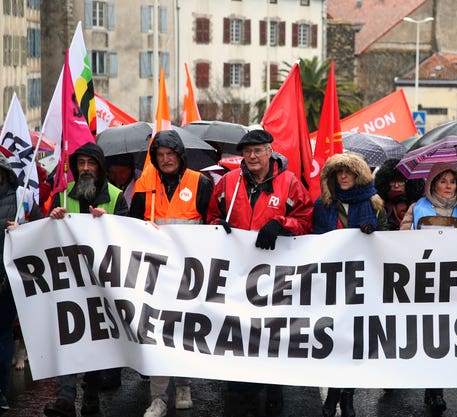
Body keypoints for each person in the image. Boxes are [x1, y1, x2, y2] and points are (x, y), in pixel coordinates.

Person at [207, 129, 313, 417]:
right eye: (247, 151)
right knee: (238, 338)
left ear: (270, 151)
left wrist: (282, 224)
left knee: (271, 338)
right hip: (236, 279)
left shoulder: (290, 183)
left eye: (258, 150)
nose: (252, 156)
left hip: (275, 280)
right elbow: (212, 218)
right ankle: (240, 397)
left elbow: (306, 221)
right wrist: (219, 226)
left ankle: (274, 393)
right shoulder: (229, 182)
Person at [129, 130, 213, 417]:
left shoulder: (200, 182)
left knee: (185, 331)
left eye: (170, 154)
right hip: (154, 273)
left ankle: (183, 386)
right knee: (156, 333)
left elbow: (212, 222)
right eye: (160, 155)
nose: (165, 159)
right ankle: (157, 398)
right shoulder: (144, 184)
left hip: (190, 273)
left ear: (180, 155)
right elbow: (130, 225)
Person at [44, 142, 128, 417]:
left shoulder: (115, 197)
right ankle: (66, 397)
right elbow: (44, 235)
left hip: (102, 283)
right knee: (67, 336)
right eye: (80, 164)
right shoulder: (63, 196)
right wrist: (52, 218)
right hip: (67, 281)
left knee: (95, 341)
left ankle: (91, 398)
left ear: (100, 167)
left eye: (91, 164)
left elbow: (129, 236)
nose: (85, 169)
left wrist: (108, 223)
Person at [400, 162, 457, 416]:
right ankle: (432, 388)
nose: (448, 186)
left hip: (456, 283)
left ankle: (438, 390)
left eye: (452, 181)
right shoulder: (417, 209)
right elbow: (401, 239)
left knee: (447, 337)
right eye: (442, 181)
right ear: (432, 183)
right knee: (428, 336)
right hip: (424, 282)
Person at [313, 153, 388, 417]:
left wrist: (375, 231)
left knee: (356, 340)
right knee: (334, 339)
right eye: (338, 172)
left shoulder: (375, 203)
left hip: (362, 284)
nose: (343, 176)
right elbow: (313, 242)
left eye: (349, 172)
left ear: (359, 176)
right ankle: (334, 392)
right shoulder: (322, 205)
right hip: (332, 284)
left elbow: (387, 241)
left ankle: (347, 397)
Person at [0, 153, 42, 412]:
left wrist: (23, 231)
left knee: (4, 335)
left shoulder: (22, 198)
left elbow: (42, 229)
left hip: (7, 280)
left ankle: (2, 392)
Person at [373, 157, 424, 230]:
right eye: (393, 181)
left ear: (409, 182)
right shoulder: (379, 203)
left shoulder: (417, 204)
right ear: (386, 182)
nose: (396, 185)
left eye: (401, 181)